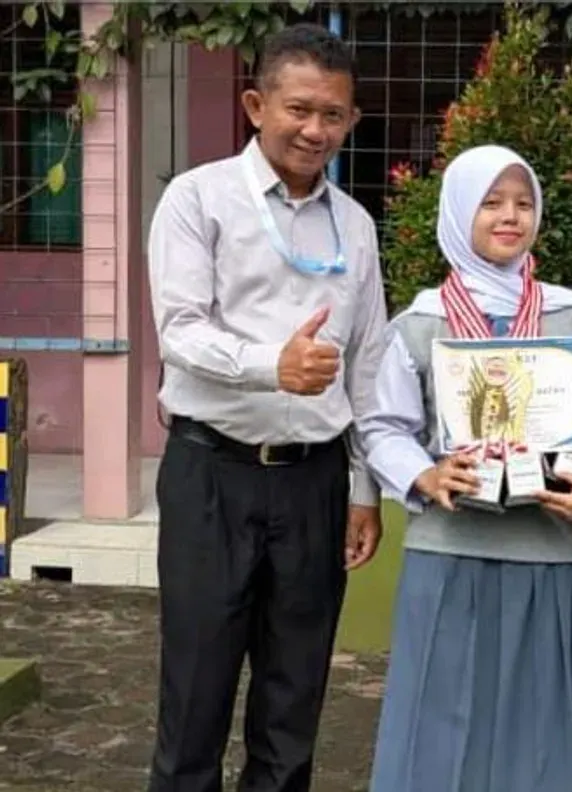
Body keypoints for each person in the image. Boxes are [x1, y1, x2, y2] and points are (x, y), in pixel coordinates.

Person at [145, 23, 386, 792]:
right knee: (195, 694)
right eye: (299, 109)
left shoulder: (355, 226)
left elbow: (369, 363)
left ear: (351, 121)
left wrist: (364, 488)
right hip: (212, 474)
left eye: (334, 115)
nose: (316, 131)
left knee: (294, 700)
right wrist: (270, 367)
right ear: (256, 105)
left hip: (314, 483)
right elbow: (181, 331)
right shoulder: (198, 200)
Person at [361, 144, 572, 792]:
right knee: (438, 726)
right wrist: (425, 476)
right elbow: (382, 427)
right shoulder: (421, 323)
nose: (510, 216)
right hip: (448, 553)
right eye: (491, 202)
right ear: (459, 212)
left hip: (546, 553)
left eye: (522, 203)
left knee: (539, 732)